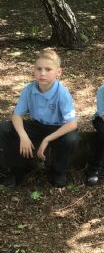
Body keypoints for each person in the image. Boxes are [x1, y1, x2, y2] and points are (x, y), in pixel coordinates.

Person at [0, 49, 80, 188]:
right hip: (37, 125)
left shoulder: (62, 93)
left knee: (72, 138)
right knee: (4, 129)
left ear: (58, 72)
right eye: (39, 69)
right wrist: (23, 136)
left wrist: (47, 139)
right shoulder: (29, 89)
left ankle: (58, 171)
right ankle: (16, 170)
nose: (42, 73)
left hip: (58, 127)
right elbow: (17, 115)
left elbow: (72, 124)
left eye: (48, 69)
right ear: (34, 70)